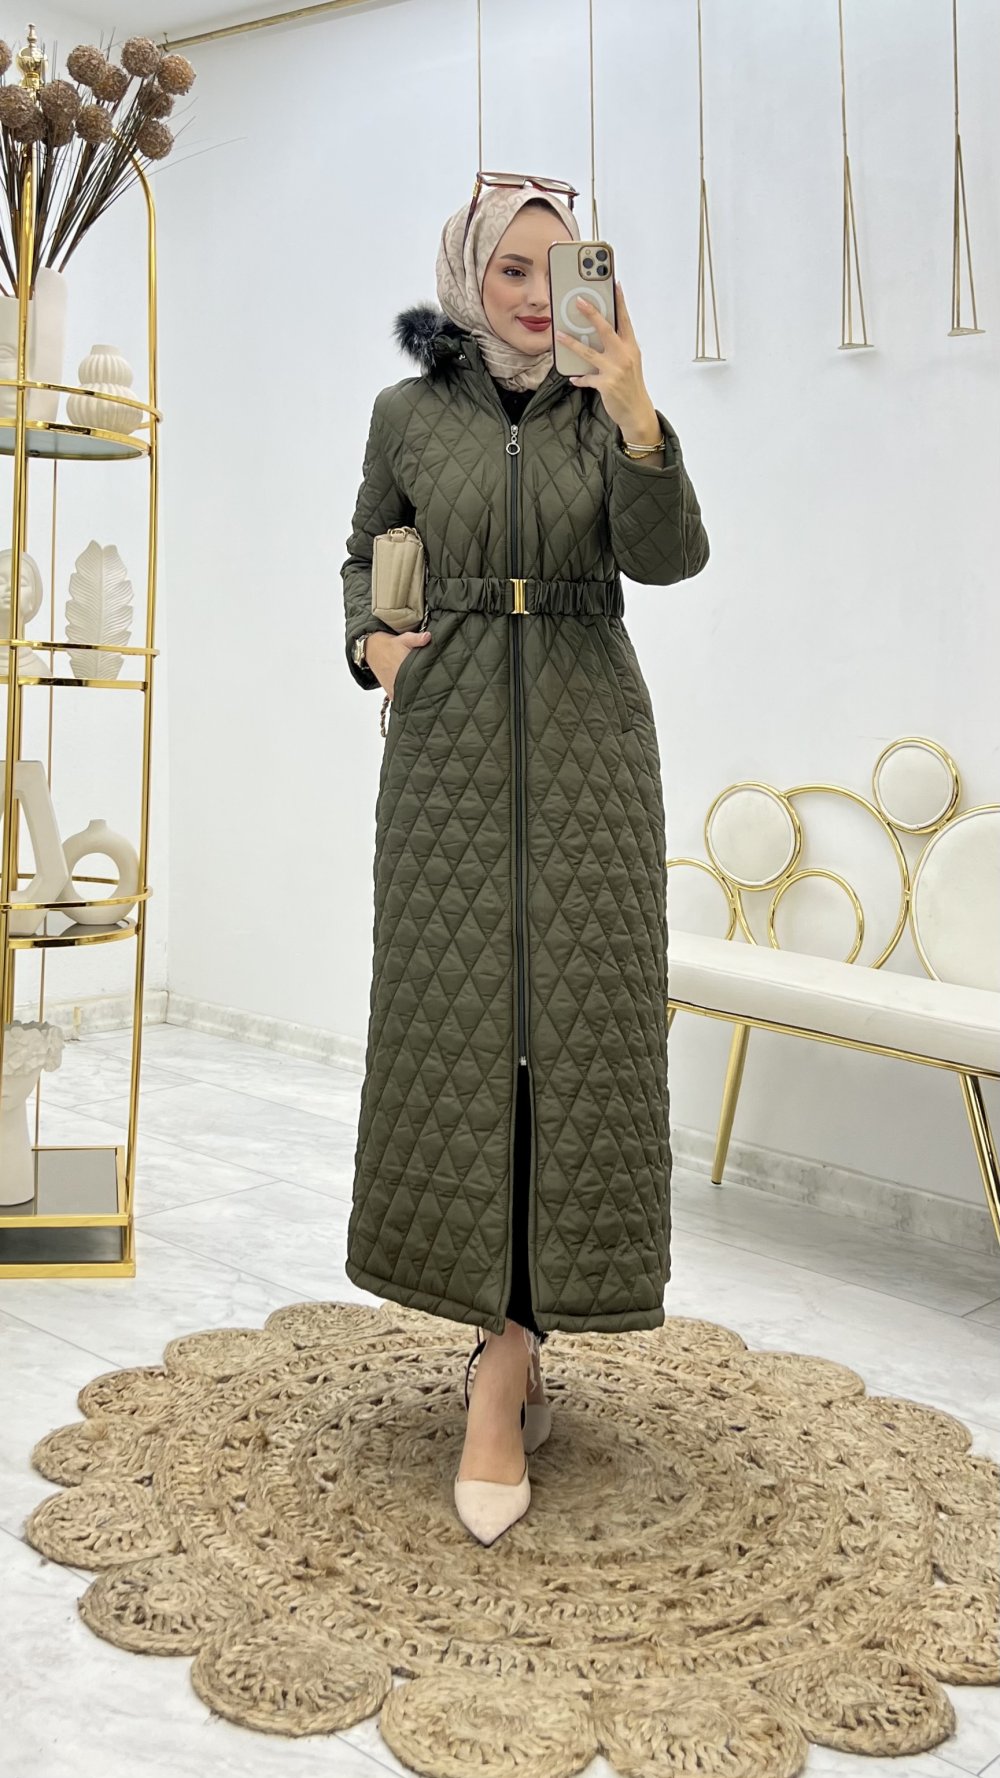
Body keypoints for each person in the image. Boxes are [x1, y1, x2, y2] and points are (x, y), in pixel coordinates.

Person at [342, 177, 710, 1544]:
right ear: (468, 276)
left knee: (569, 1042)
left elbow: (668, 562)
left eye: (561, 269)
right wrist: (378, 646)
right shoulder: (406, 413)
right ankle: (506, 1348)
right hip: (443, 757)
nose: (539, 294)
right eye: (514, 268)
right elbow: (369, 555)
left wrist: (635, 408)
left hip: (589, 750)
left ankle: (504, 1369)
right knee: (463, 1041)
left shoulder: (604, 407)